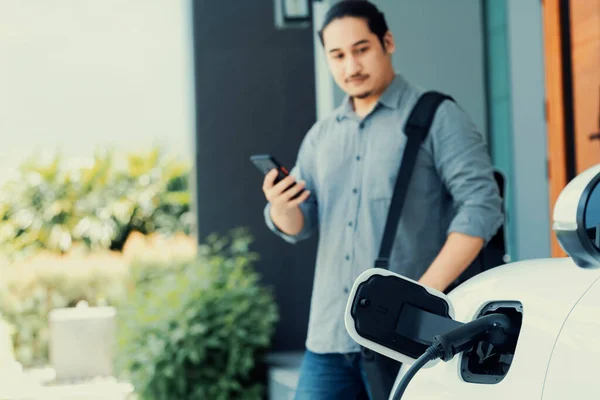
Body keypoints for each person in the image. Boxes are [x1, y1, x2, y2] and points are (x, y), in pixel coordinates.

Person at [261, 1, 503, 398]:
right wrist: (283, 207)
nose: (350, 66)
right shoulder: (321, 136)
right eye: (337, 56)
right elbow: (300, 224)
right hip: (328, 339)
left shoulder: (438, 116)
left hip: (406, 337)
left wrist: (421, 299)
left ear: (387, 42)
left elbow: (482, 205)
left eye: (361, 49)